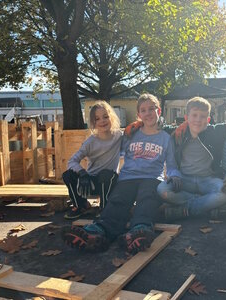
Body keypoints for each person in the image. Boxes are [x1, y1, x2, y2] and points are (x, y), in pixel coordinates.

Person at [61, 93, 181, 253]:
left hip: (152, 178)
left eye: (151, 109)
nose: (148, 113)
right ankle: (98, 233)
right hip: (128, 177)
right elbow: (110, 140)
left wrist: (175, 175)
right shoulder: (130, 134)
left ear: (159, 111)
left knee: (148, 199)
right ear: (139, 115)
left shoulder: (166, 138)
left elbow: (171, 164)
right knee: (118, 201)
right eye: (143, 110)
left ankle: (139, 230)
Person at [156, 97, 226, 221]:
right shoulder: (176, 133)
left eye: (202, 116)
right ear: (186, 118)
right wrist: (136, 124)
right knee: (162, 190)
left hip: (208, 180)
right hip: (184, 179)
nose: (198, 120)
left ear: (208, 119)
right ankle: (205, 206)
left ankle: (187, 209)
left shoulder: (216, 131)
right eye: (194, 115)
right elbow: (154, 126)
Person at [62, 101, 121, 219]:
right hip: (90, 183)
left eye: (105, 117)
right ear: (93, 123)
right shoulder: (90, 142)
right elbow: (71, 161)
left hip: (109, 182)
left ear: (112, 117)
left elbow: (134, 135)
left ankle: (105, 207)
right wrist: (82, 173)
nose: (102, 121)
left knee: (107, 174)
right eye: (97, 119)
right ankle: (81, 205)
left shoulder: (119, 136)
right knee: (67, 175)